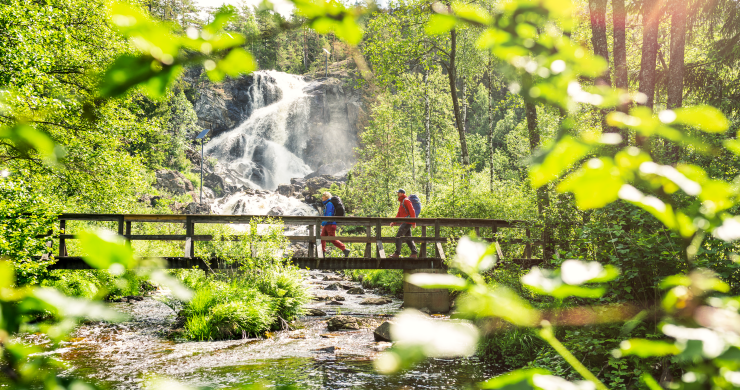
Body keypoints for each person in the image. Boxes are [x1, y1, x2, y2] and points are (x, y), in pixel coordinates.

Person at [389, 189, 418, 258]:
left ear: (402, 193)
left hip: (407, 222)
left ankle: (396, 254)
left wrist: (413, 222)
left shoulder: (406, 201)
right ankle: (414, 253)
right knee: (408, 238)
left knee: (398, 236)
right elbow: (399, 214)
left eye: (398, 193)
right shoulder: (402, 202)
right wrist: (394, 222)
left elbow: (412, 211)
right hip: (405, 222)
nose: (397, 194)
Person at [321, 191, 351, 257]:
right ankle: (322, 252)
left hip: (330, 224)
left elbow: (329, 215)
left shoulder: (329, 204)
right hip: (327, 224)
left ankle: (344, 249)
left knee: (332, 239)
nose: (322, 197)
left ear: (326, 197)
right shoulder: (327, 204)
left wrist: (322, 224)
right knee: (322, 238)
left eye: (323, 196)